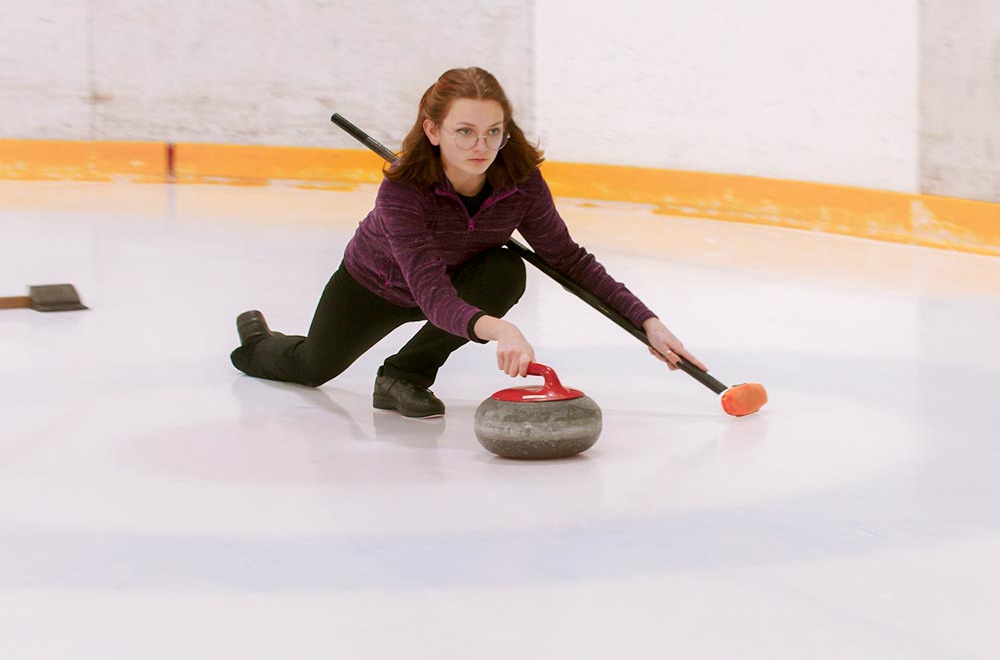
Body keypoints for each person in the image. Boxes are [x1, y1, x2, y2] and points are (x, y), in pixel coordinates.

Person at [231, 66, 706, 418]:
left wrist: (647, 322)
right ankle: (257, 344)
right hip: (376, 286)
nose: (481, 146)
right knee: (312, 366)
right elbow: (429, 291)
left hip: (458, 287)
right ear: (433, 131)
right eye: (464, 132)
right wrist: (498, 329)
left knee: (506, 269)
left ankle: (403, 375)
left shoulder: (520, 181)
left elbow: (568, 259)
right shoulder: (403, 191)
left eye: (492, 132)